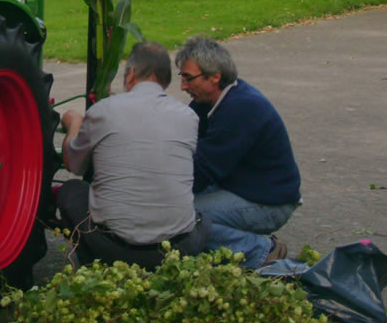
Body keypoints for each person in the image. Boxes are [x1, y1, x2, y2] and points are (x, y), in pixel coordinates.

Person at [56, 41, 212, 270]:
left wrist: (74, 125)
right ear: (166, 79)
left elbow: (74, 164)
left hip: (115, 248)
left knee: (70, 191)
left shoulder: (103, 111)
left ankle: (95, 268)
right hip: (178, 247)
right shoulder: (188, 117)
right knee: (204, 219)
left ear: (130, 74)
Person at [175, 34, 301, 268]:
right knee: (177, 208)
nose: (183, 86)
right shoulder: (212, 101)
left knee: (182, 217)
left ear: (215, 76)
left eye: (189, 78)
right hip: (242, 186)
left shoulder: (240, 109)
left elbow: (202, 170)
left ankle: (261, 251)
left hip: (270, 203)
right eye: (182, 78)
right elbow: (181, 138)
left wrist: (159, 193)